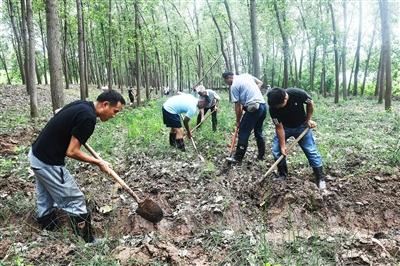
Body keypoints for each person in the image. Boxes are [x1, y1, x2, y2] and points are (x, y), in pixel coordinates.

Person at [28, 90, 126, 243]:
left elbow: (58, 112)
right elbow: (72, 151)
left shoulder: (82, 104)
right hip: (48, 161)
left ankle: (48, 230)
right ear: (105, 104)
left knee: (45, 197)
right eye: (115, 111)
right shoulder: (88, 118)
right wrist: (98, 162)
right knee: (75, 200)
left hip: (36, 154)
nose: (115, 115)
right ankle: (86, 240)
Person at [267, 87, 326, 190]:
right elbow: (279, 127)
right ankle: (282, 175)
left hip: (301, 126)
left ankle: (320, 178)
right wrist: (282, 146)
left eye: (279, 106)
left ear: (285, 98)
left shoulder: (298, 94)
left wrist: (308, 120)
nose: (277, 108)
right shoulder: (273, 108)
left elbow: (310, 103)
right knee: (277, 151)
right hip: (285, 128)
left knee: (311, 150)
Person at [222, 71, 267, 162]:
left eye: (226, 81)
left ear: (229, 78)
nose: (227, 84)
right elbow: (260, 82)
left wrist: (238, 121)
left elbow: (238, 106)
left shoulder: (234, 86)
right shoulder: (246, 76)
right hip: (263, 106)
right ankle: (261, 156)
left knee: (243, 131)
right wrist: (253, 93)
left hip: (253, 108)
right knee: (258, 132)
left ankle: (238, 157)